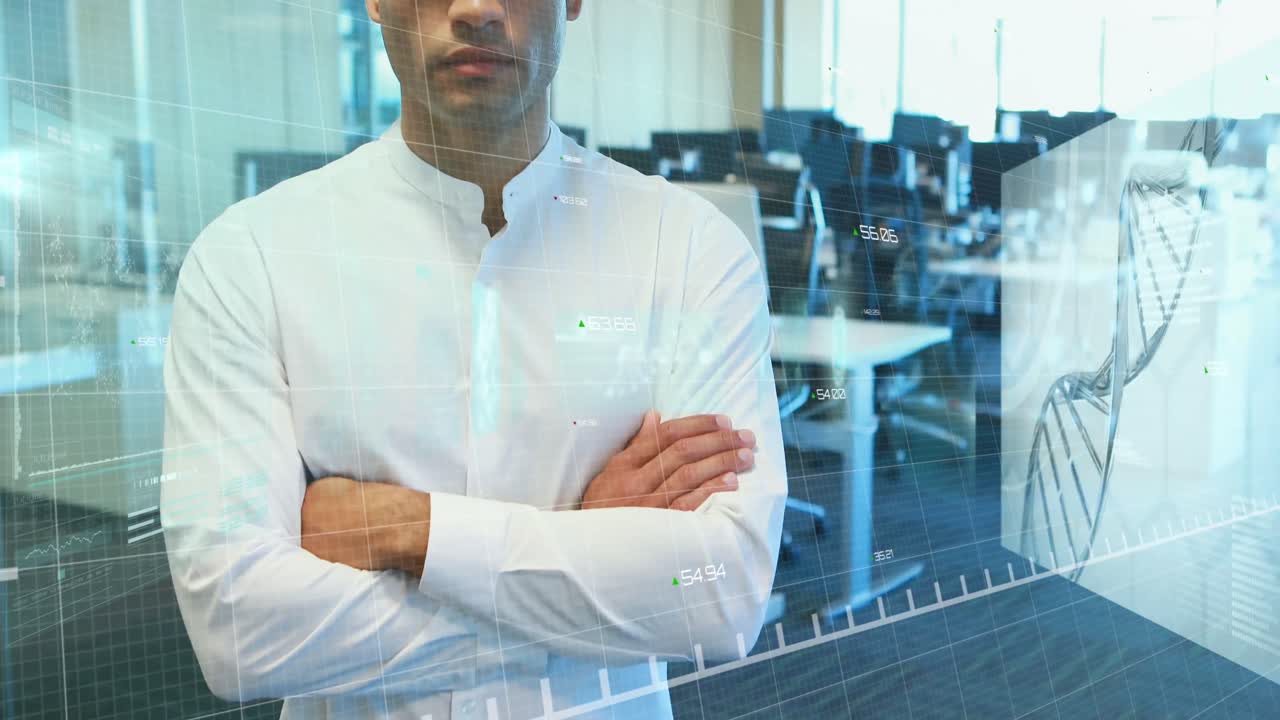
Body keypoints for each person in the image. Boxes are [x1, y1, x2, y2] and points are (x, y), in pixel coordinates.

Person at [160, 0, 787, 717]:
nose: (475, 8)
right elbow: (239, 635)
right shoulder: (250, 259)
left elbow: (721, 593)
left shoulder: (686, 248)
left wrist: (407, 528)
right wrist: (581, 556)